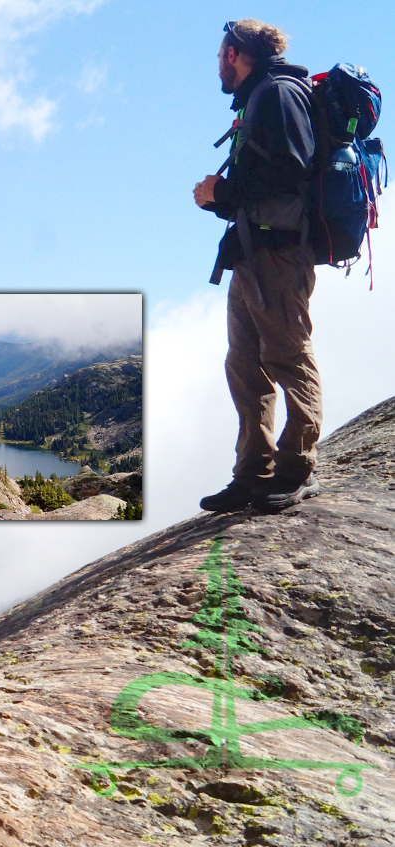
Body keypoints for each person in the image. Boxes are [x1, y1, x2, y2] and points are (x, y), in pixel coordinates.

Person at [195, 19, 322, 513]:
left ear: (234, 54)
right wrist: (220, 200)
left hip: (279, 252)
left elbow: (290, 169)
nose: (218, 67)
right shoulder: (259, 98)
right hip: (252, 252)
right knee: (245, 364)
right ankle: (252, 472)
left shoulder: (278, 94)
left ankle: (296, 466)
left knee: (288, 355)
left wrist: (219, 194)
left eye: (220, 56)